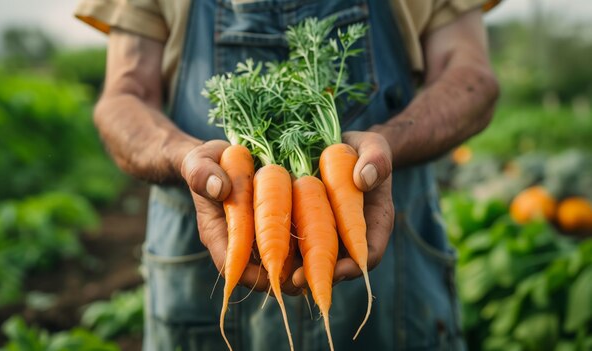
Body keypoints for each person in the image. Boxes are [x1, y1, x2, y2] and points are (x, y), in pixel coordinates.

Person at [74, 0, 500, 349]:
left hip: (391, 263)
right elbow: (124, 96)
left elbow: (470, 77)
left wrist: (385, 143)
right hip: (201, 256)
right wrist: (184, 158)